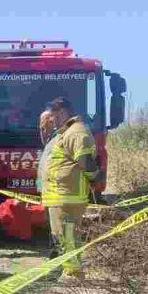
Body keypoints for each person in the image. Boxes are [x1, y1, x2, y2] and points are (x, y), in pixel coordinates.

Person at [39, 96, 104, 279]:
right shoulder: (66, 132)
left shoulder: (76, 132)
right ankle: (69, 272)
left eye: (52, 116)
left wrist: (95, 178)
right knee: (62, 236)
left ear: (62, 112)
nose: (51, 120)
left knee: (67, 237)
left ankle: (73, 276)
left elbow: (85, 161)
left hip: (68, 197)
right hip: (60, 196)